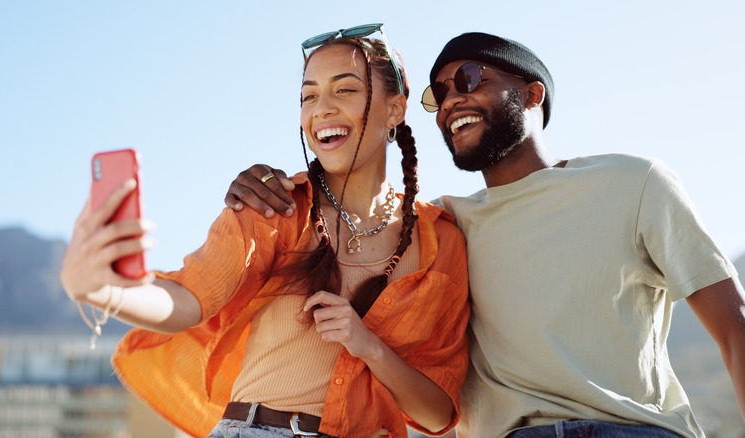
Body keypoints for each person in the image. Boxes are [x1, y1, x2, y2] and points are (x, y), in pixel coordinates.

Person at [224, 32, 745, 438]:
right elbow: (355, 207)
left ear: (532, 93)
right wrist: (265, 180)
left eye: (470, 78)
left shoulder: (633, 182)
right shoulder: (445, 226)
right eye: (439, 92)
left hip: (635, 430)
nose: (451, 99)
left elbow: (733, 330)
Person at [59, 24, 470, 438]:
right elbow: (188, 299)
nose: (320, 109)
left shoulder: (442, 243)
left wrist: (369, 347)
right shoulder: (274, 207)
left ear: (396, 109)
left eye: (344, 90)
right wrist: (104, 289)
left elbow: (437, 414)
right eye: (308, 95)